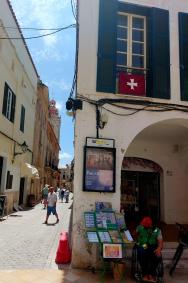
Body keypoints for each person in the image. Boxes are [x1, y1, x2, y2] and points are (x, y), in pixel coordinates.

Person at [135, 216, 163, 282]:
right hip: (143, 245)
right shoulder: (140, 227)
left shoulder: (157, 230)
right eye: (143, 225)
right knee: (142, 253)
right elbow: (135, 234)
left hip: (152, 245)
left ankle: (151, 273)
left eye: (145, 225)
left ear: (150, 225)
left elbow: (160, 241)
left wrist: (159, 249)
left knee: (157, 256)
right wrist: (137, 237)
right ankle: (145, 274)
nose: (143, 226)